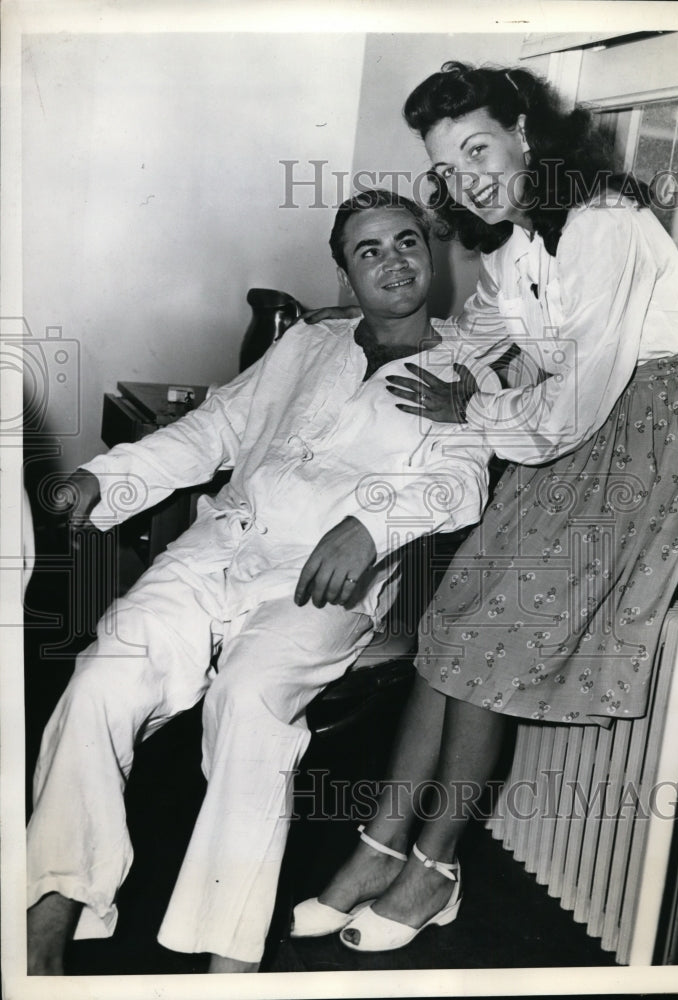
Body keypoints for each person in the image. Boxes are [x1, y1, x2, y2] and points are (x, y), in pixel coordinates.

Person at [292, 62, 678, 952]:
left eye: (479, 150)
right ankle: (380, 848)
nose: (467, 179)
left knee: (482, 644)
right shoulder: (515, 239)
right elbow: (484, 335)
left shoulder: (604, 222)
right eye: (447, 166)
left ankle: (435, 870)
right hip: (570, 437)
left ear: (525, 133)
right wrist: (383, 340)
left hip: (641, 437)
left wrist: (473, 410)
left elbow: (573, 403)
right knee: (447, 629)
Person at [25, 189, 498, 974]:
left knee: (250, 702)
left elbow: (463, 480)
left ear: (431, 254)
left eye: (407, 242)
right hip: (218, 550)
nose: (393, 261)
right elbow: (214, 427)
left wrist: (371, 525)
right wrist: (107, 479)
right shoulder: (308, 344)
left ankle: (229, 963)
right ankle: (49, 915)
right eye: (370, 250)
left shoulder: (467, 370)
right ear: (345, 273)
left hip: (323, 583)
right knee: (102, 678)